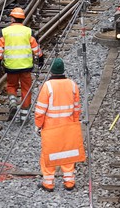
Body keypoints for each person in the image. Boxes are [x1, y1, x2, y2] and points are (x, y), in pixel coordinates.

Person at [34, 57, 85, 192]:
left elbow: (40, 109)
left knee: (49, 154)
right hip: (68, 125)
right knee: (68, 153)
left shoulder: (48, 86)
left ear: (51, 71)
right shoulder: (73, 85)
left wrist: (38, 125)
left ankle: (48, 183)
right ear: (63, 70)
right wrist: (74, 122)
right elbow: (76, 108)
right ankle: (69, 182)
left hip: (51, 127)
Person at [0, 7, 43, 121]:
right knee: (26, 89)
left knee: (11, 86)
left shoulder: (5, 32)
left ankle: (12, 102)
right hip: (26, 67)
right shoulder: (28, 31)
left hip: (11, 66)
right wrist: (41, 59)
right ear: (22, 19)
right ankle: (24, 116)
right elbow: (36, 48)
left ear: (12, 19)